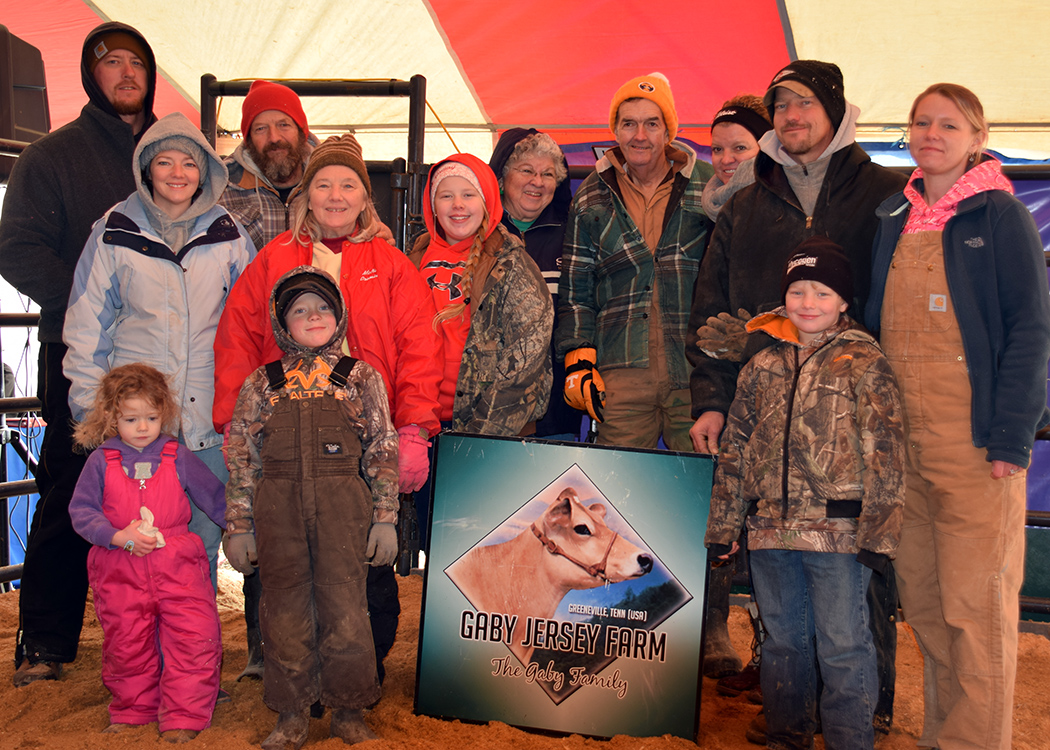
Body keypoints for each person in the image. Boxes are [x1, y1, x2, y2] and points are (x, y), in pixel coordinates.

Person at [686, 60, 907, 741]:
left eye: (805, 103)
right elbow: (710, 308)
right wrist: (712, 399)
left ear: (835, 110)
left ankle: (864, 714)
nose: (792, 116)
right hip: (770, 438)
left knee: (854, 605)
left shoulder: (886, 193)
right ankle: (792, 713)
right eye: (781, 105)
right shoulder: (746, 204)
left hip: (851, 432)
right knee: (783, 607)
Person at [213, 133, 441, 682]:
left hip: (361, 437)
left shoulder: (391, 264)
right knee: (282, 550)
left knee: (362, 553)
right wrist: (233, 423)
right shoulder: (273, 259)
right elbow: (238, 337)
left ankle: (364, 666)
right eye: (323, 185)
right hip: (285, 435)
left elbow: (418, 346)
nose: (335, 196)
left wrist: (413, 428)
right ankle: (278, 663)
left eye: (348, 185)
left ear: (365, 197)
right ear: (306, 195)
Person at [863, 83, 1050, 750]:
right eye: (921, 122)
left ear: (977, 136)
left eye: (948, 124)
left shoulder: (1000, 215)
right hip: (902, 444)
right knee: (927, 602)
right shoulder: (894, 214)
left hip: (973, 446)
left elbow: (1030, 330)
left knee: (975, 605)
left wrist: (1011, 439)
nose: (932, 134)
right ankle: (943, 736)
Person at [0, 21, 159, 687]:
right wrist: (94, 301)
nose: (126, 73)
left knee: (162, 492)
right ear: (92, 76)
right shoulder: (51, 156)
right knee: (72, 489)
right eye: (111, 62)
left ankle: (161, 638)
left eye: (136, 62)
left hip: (161, 361)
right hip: (80, 358)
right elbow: (17, 248)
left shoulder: (173, 153)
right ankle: (45, 640)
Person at [707, 238, 905, 750]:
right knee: (783, 644)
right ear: (784, 298)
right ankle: (786, 737)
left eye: (822, 292)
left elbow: (886, 452)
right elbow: (735, 449)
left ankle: (849, 741)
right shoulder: (760, 367)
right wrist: (724, 527)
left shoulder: (865, 362)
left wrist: (879, 537)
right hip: (769, 531)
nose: (808, 303)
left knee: (843, 646)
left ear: (843, 301)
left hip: (839, 535)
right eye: (797, 291)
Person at [62, 111, 255, 593]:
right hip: (137, 425)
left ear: (205, 172)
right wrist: (92, 413)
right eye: (164, 162)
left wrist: (247, 412)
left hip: (207, 422)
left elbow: (250, 326)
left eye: (188, 163)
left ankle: (191, 639)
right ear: (145, 169)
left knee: (199, 547)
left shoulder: (230, 235)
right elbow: (87, 327)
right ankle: (140, 641)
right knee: (134, 547)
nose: (177, 173)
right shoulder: (113, 232)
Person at [224, 266, 398, 749]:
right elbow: (241, 456)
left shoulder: (360, 377)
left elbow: (382, 447)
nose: (313, 316)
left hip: (343, 509)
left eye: (322, 307)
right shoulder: (262, 383)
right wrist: (239, 526)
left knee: (347, 608)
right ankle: (291, 714)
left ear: (339, 315)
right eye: (299, 310)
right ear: (282, 323)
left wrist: (385, 518)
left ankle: (349, 711)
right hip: (277, 510)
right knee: (283, 610)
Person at [555, 72, 714, 452]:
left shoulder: (707, 183)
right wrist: (578, 356)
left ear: (668, 131)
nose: (639, 135)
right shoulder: (590, 194)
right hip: (621, 374)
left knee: (700, 480)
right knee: (618, 482)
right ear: (615, 130)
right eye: (628, 124)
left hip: (695, 368)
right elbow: (576, 288)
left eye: (651, 124)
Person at [69, 363, 226, 743]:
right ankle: (133, 710)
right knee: (127, 644)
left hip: (177, 564)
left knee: (193, 638)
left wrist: (243, 526)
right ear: (112, 418)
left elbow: (215, 498)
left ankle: (185, 715)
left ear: (164, 414)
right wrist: (115, 536)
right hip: (120, 568)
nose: (142, 427)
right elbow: (82, 511)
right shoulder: (100, 461)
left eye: (152, 418)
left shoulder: (177, 456)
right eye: (131, 419)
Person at [693, 94, 773, 685]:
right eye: (717, 148)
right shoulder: (710, 210)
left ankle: (773, 648)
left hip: (774, 387)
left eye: (738, 148)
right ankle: (715, 626)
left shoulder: (777, 208)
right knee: (720, 507)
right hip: (724, 381)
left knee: (772, 515)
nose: (724, 159)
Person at [410, 153, 552, 438]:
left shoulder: (512, 264)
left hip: (486, 432)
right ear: (432, 205)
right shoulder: (411, 259)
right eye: (446, 196)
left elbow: (525, 361)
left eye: (468, 194)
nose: (458, 204)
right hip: (419, 427)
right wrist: (407, 424)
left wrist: (480, 437)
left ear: (487, 200)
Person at [488, 129, 579, 441]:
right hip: (486, 406)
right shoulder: (477, 233)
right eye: (526, 170)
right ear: (502, 178)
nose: (537, 182)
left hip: (556, 410)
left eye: (548, 174)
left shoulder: (574, 236)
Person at [217, 80, 319, 253]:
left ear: (302, 131)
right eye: (261, 129)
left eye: (283, 125)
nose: (274, 137)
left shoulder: (336, 180)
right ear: (248, 140)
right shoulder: (222, 188)